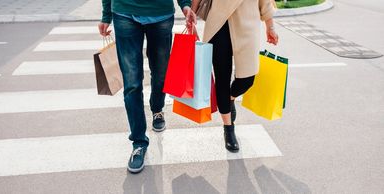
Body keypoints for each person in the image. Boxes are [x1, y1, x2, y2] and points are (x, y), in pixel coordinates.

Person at [98, 0, 196, 173]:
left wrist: (186, 5)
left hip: (161, 15)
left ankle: (157, 108)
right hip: (124, 13)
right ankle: (138, 142)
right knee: (132, 83)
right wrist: (106, 15)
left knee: (161, 74)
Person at [191, 0, 279, 152]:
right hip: (218, 23)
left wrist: (270, 26)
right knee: (222, 79)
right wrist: (191, 13)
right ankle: (228, 128)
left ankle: (229, 98)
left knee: (247, 79)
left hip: (248, 24)